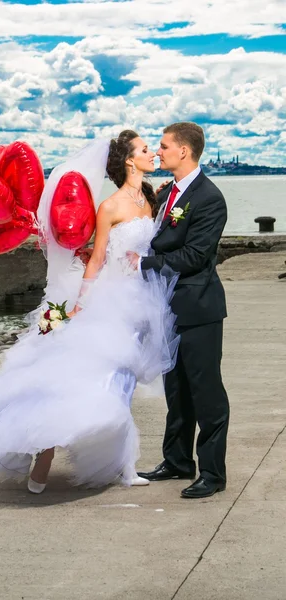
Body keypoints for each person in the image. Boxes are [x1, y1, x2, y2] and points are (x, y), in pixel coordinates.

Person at [0, 131, 179, 493]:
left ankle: (122, 464)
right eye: (145, 149)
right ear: (129, 161)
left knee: (125, 383)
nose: (152, 153)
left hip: (143, 301)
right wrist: (81, 302)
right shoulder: (110, 207)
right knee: (86, 376)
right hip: (113, 298)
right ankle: (46, 448)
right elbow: (99, 257)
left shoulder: (153, 197)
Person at [127, 122, 230, 499]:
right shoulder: (169, 191)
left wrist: (142, 264)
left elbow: (195, 255)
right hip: (168, 307)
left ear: (184, 151)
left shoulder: (209, 198)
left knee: (207, 392)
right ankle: (177, 461)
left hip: (199, 307)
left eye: (165, 146)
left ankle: (213, 473)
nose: (160, 151)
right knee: (177, 390)